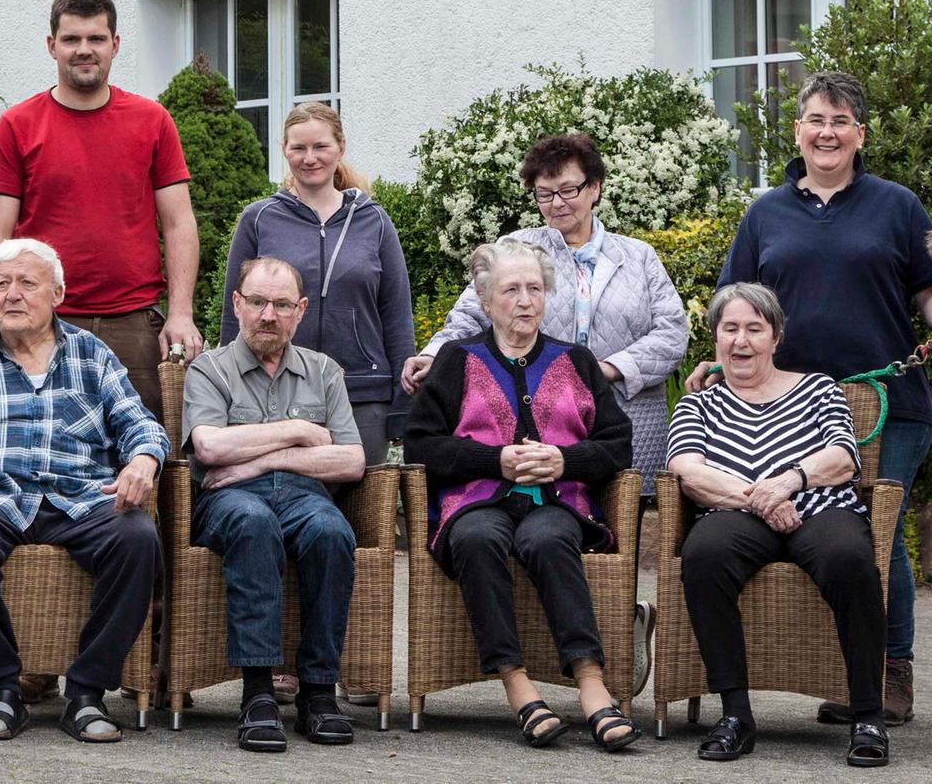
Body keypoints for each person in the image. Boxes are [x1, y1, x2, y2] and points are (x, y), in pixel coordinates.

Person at [705, 69, 932, 723]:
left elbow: (930, 296)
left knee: (879, 536)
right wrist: (716, 361)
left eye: (840, 122)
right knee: (817, 534)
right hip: (790, 409)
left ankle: (892, 675)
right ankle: (842, 672)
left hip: (890, 403)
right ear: (797, 131)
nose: (827, 132)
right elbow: (735, 302)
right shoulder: (765, 213)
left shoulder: (898, 207)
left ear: (860, 135)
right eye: (816, 120)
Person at [0, 237, 169, 744]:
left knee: (138, 539)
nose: (13, 294)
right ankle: (1, 691)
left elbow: (141, 424)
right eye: (2, 283)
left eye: (28, 283)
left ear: (58, 294)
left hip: (81, 496)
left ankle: (88, 694)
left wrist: (143, 458)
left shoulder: (92, 353)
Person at [404, 239, 641, 753]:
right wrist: (494, 461)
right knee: (475, 538)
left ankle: (590, 681)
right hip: (476, 502)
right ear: (487, 301)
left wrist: (564, 461)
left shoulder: (575, 360)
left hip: (556, 503)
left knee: (550, 539)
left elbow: (618, 444)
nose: (525, 301)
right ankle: (516, 682)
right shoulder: (456, 358)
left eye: (535, 288)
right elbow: (420, 443)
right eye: (511, 290)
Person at [668, 284, 889, 768]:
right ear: (715, 339)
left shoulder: (818, 387)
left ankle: (868, 714)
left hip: (820, 507)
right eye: (730, 329)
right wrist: (761, 499)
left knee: (849, 559)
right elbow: (686, 469)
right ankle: (735, 716)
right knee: (704, 554)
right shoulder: (697, 404)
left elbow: (844, 455)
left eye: (754, 329)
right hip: (735, 513)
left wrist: (790, 481)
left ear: (776, 336)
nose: (741, 341)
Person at [403, 132, 689, 482]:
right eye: (545, 193)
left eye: (569, 190)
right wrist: (433, 354)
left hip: (627, 414)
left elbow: (672, 333)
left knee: (624, 520)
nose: (557, 203)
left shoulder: (638, 256)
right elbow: (472, 311)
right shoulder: (518, 247)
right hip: (539, 419)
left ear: (595, 188)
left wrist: (607, 369)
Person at [0, 0, 198, 415]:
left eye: (96, 39)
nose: (84, 50)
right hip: (45, 322)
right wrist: (6, 312)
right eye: (71, 39)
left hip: (134, 325)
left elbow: (179, 223)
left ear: (115, 45)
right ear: (51, 46)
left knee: (146, 455)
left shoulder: (152, 121)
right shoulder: (16, 125)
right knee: (43, 448)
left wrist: (181, 314)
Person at [185, 256, 366, 753]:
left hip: (306, 498)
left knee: (332, 533)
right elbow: (211, 450)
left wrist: (260, 460)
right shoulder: (210, 369)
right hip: (229, 501)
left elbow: (351, 461)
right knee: (253, 522)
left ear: (300, 310)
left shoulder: (324, 372)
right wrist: (301, 432)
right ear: (238, 304)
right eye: (259, 302)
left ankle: (318, 692)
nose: (269, 315)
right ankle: (258, 693)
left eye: (282, 304)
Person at [219, 101, 413, 466]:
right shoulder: (259, 219)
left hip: (363, 395)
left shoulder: (374, 221)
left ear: (341, 147)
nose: (310, 158)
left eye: (321, 146)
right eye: (298, 148)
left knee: (362, 510)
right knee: (282, 497)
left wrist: (401, 405)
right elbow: (235, 316)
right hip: (273, 389)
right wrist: (229, 389)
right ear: (284, 150)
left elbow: (397, 314)